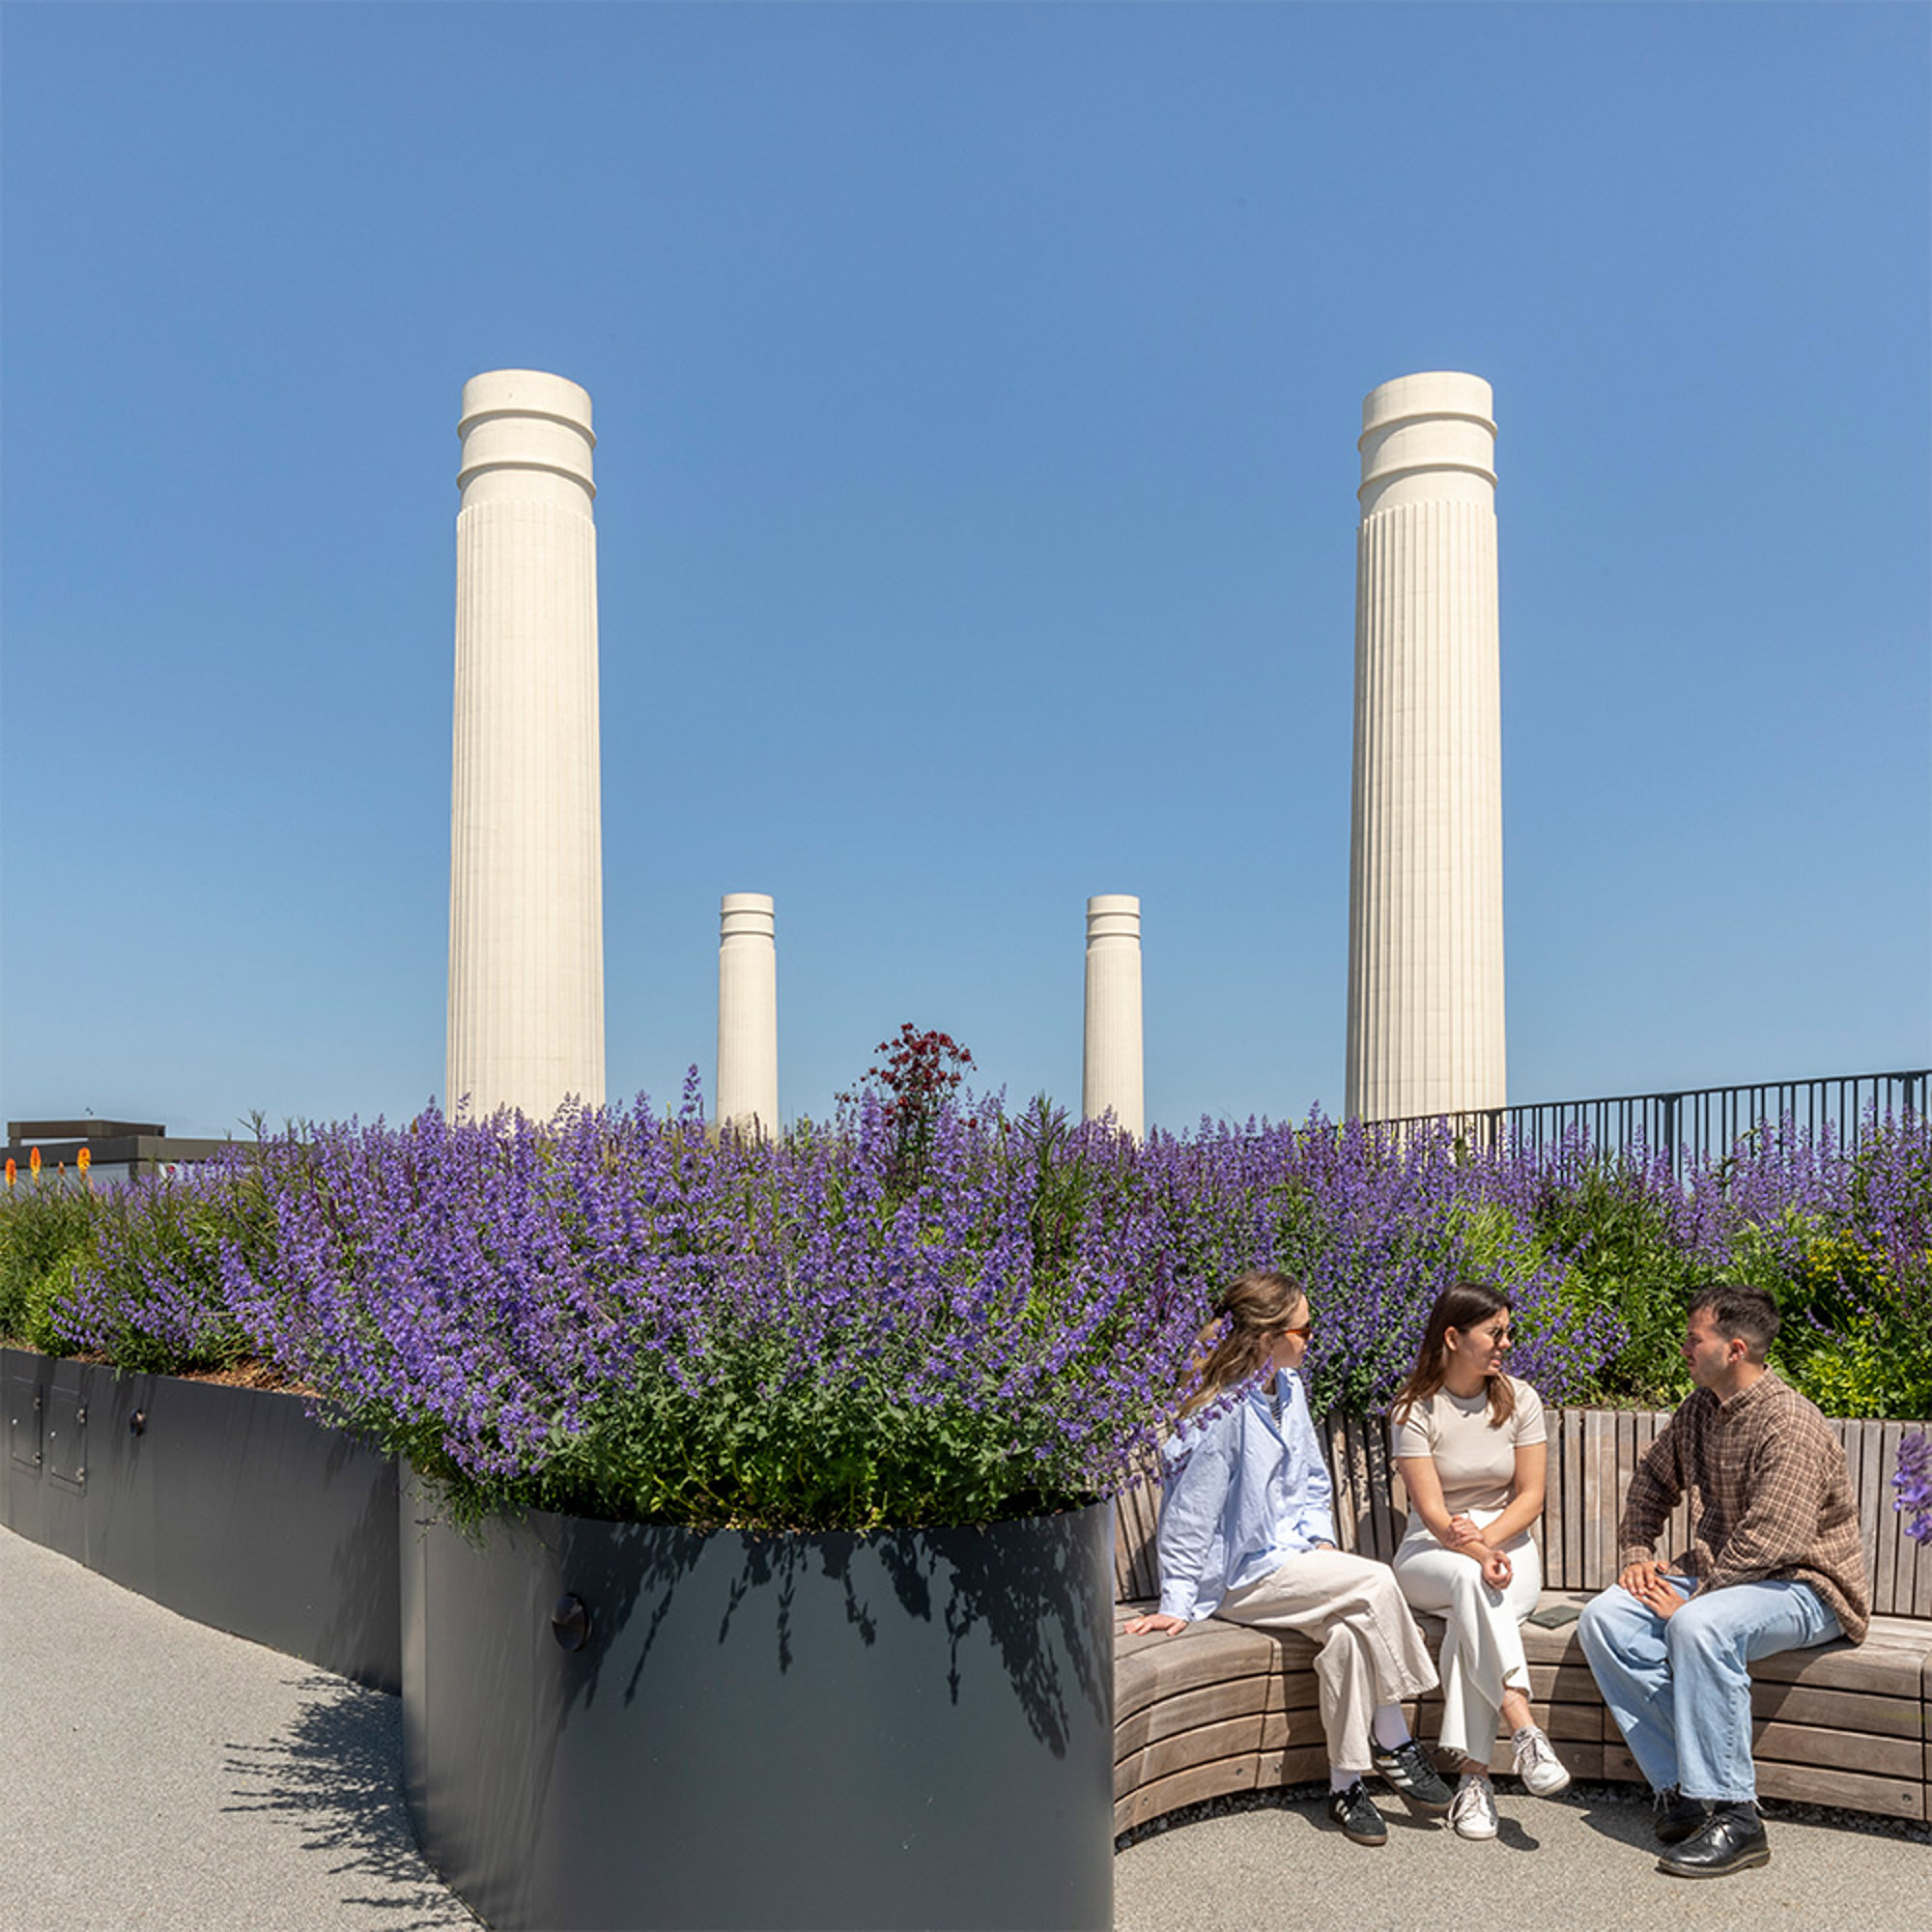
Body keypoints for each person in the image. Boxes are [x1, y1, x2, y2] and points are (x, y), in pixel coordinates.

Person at [1122, 1269, 1453, 1847]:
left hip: (1294, 1562)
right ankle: (1396, 1738)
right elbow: (1191, 1515)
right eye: (1304, 1329)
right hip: (1241, 1577)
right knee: (1375, 1584)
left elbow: (1312, 1480)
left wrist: (1321, 1538)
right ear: (1268, 1336)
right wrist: (1176, 1601)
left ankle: (1345, 1786)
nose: (1311, 1338)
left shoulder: (1290, 1389)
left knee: (1352, 1635)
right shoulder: (1222, 1411)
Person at [1577, 1284, 1869, 1879]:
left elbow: (1776, 1539)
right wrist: (1637, 1552)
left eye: (1694, 1338)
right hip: (1727, 1578)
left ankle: (1739, 1819)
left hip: (1808, 1587)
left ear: (1735, 1349)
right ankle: (1686, 1788)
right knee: (1604, 1618)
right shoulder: (1699, 1410)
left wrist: (1694, 1601)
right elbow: (1652, 1483)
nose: (1684, 1348)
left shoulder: (1790, 1421)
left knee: (1698, 1626)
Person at [1389, 1282, 1572, 1841]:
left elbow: (1530, 1498)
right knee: (1472, 1582)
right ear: (1453, 1337)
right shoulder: (1413, 1409)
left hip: (1508, 1551)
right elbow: (1433, 1512)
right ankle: (1524, 1729)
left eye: (1507, 1332)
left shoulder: (1521, 1399)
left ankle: (1474, 1779)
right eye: (1495, 1333)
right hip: (1430, 1553)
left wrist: (1489, 1544)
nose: (1506, 1344)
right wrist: (1475, 1550)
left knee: (1473, 1611)